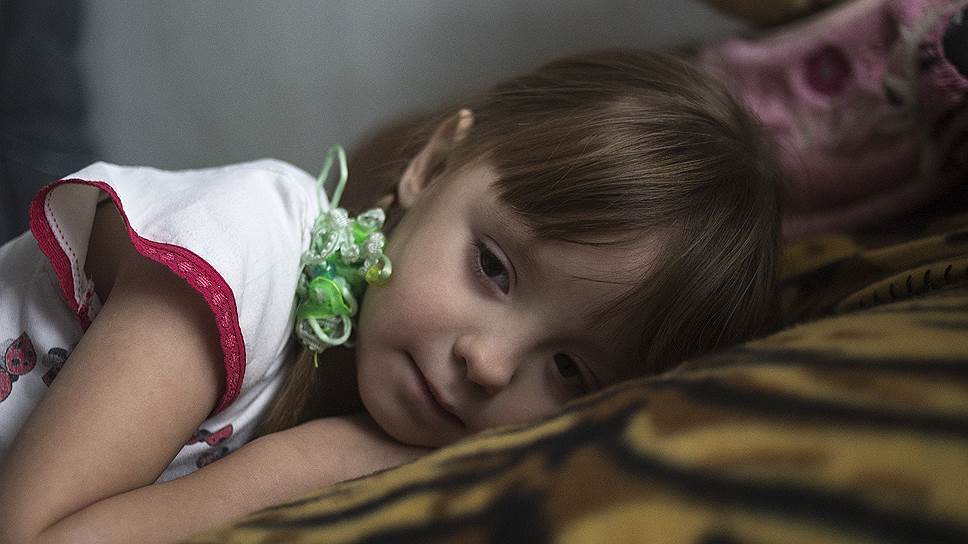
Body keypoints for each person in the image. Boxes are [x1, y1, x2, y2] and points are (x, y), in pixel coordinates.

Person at [0, 49, 780, 543]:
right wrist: (321, 460)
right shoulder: (250, 246)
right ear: (433, 166)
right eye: (494, 268)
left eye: (571, 369)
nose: (487, 364)